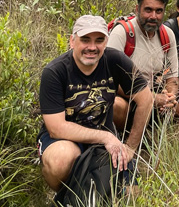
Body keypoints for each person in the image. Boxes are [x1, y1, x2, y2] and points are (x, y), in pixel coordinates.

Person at [37, 15, 153, 192]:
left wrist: (130, 147)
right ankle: (65, 196)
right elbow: (56, 128)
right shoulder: (55, 72)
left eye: (99, 40)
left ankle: (95, 191)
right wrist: (106, 137)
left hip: (102, 136)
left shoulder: (116, 60)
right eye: (85, 39)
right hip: (63, 139)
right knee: (61, 160)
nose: (92, 47)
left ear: (106, 42)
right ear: (72, 41)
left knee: (132, 193)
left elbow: (146, 100)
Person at [107, 0, 179, 123]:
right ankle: (134, 126)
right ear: (137, 9)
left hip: (156, 91)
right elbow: (111, 81)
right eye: (148, 10)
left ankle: (157, 120)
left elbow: (172, 77)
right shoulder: (122, 33)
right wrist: (151, 98)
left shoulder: (167, 34)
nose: (153, 16)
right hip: (129, 96)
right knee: (116, 106)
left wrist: (169, 98)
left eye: (159, 11)